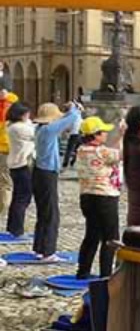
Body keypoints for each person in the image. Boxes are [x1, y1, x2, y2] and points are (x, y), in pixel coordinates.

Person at [32, 102, 82, 261]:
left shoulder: (40, 129)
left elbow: (64, 120)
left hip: (39, 172)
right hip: (47, 174)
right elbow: (70, 119)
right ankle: (49, 252)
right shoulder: (47, 130)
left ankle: (39, 248)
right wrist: (74, 108)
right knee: (52, 213)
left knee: (43, 212)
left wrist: (69, 110)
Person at [75, 116, 123, 279]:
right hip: (105, 197)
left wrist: (119, 136)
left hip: (87, 197)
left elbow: (112, 152)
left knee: (92, 234)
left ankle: (83, 271)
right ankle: (106, 274)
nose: (106, 135)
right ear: (96, 135)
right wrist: (124, 134)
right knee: (111, 238)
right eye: (103, 132)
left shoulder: (82, 150)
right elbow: (119, 154)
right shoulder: (102, 151)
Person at [6, 102, 35, 237]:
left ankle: (12, 227)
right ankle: (17, 230)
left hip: (16, 164)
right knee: (23, 198)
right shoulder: (19, 128)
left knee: (18, 197)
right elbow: (36, 133)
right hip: (22, 164)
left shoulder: (12, 126)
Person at [0, 89, 20, 218]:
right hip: (6, 150)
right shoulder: (11, 118)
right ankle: (2, 208)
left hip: (5, 149)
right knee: (6, 182)